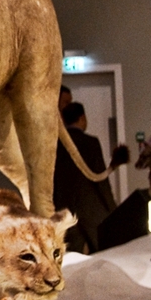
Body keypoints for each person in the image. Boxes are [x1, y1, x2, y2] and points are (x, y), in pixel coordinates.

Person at [53, 102, 117, 253]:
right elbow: (100, 178)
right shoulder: (91, 143)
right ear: (82, 118)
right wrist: (111, 206)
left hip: (65, 207)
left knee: (69, 255)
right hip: (91, 208)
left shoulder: (56, 144)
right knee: (102, 252)